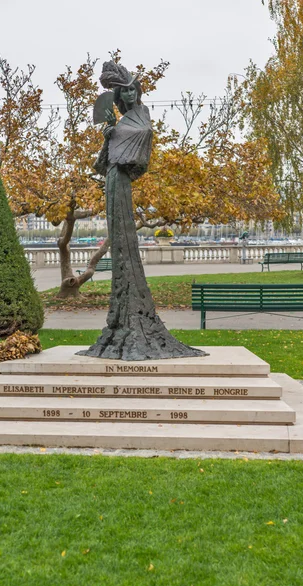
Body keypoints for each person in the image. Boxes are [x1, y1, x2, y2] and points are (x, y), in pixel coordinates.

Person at [78, 61, 207, 361]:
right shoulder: (119, 124)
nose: (132, 94)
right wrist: (108, 135)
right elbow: (105, 161)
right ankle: (123, 318)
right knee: (120, 240)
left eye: (133, 88)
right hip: (114, 180)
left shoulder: (141, 117)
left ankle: (133, 314)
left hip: (122, 180)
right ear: (120, 98)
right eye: (126, 92)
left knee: (126, 241)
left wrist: (116, 137)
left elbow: (140, 151)